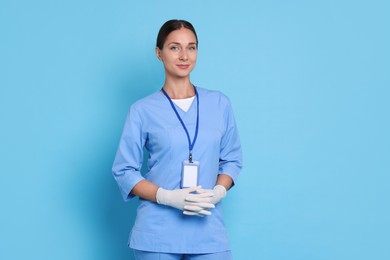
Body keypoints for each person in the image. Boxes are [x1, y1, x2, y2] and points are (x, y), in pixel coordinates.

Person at [112, 19, 243, 260]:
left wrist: (218, 192)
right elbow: (124, 170)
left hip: (208, 230)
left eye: (191, 47)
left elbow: (232, 159)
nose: (184, 55)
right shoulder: (142, 110)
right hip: (157, 233)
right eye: (174, 47)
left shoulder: (219, 103)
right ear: (159, 53)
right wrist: (167, 196)